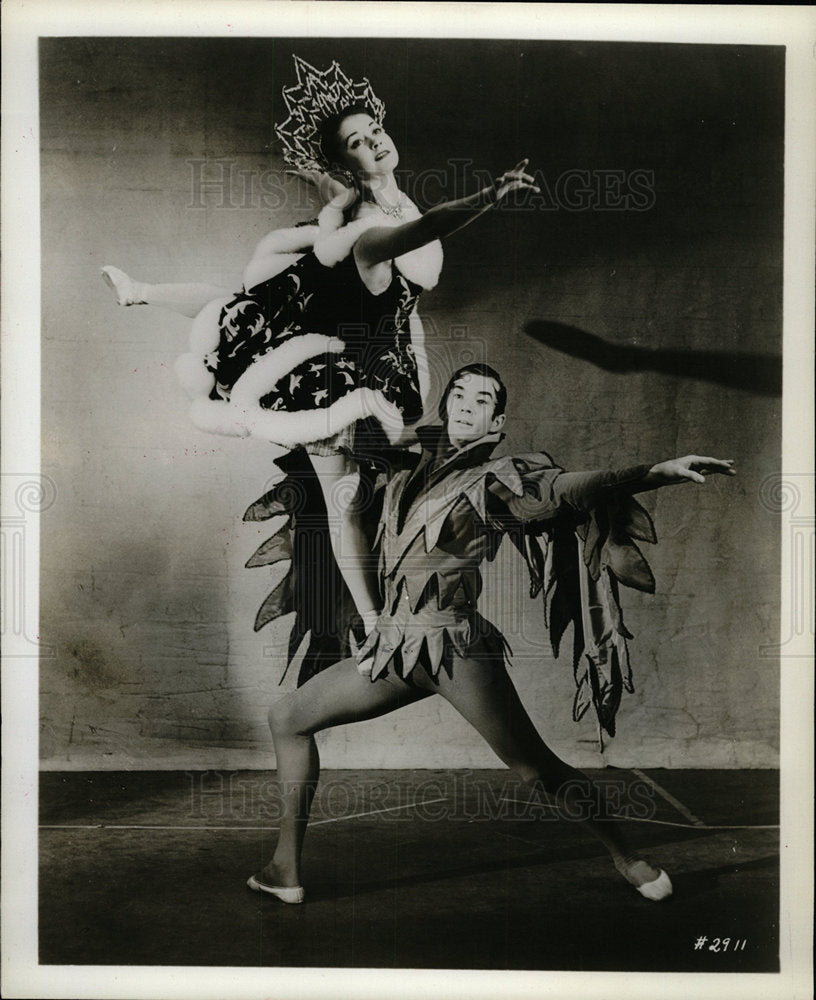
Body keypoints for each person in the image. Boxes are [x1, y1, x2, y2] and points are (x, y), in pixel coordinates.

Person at [246, 363, 737, 905]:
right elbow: (344, 465)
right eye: (456, 393)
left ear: (496, 422)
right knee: (287, 718)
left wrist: (655, 472)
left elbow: (570, 488)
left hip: (457, 649)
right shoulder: (406, 472)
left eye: (479, 400)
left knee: (535, 768)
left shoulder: (502, 478)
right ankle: (284, 869)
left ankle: (629, 856)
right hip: (397, 648)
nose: (463, 403)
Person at [102, 54, 539, 641]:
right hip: (333, 364)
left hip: (356, 328)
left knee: (242, 309)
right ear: (347, 161)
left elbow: (360, 200)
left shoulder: (372, 196)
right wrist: (487, 196)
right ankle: (373, 621)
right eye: (357, 142)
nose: (375, 143)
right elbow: (425, 229)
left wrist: (325, 180)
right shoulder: (370, 228)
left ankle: (143, 293)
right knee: (341, 496)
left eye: (375, 130)